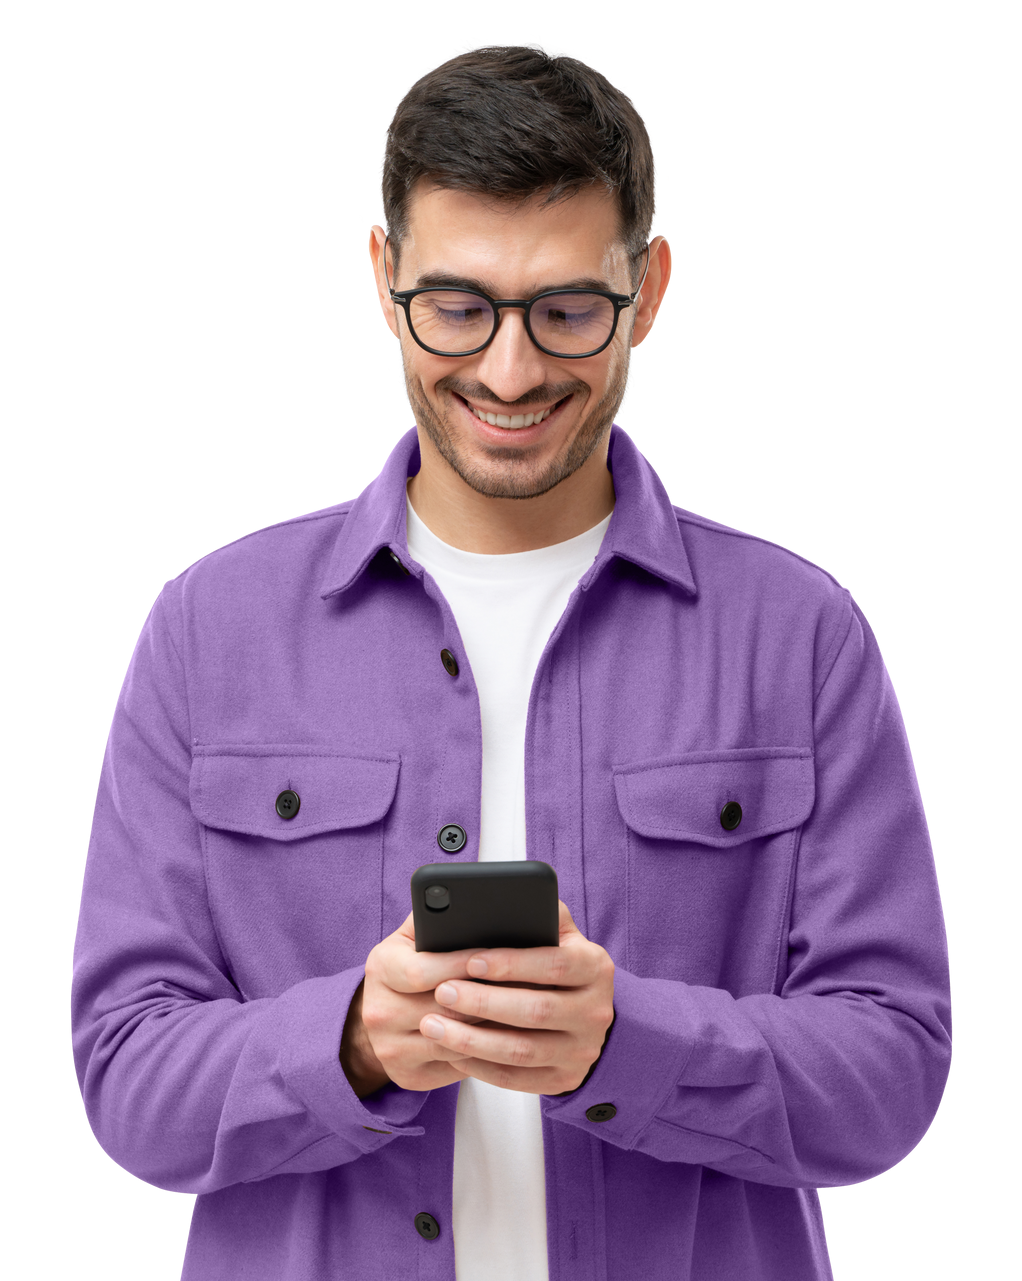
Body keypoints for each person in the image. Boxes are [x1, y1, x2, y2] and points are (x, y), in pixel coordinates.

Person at [70, 38, 953, 1281]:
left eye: (566, 310)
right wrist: (353, 1042)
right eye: (458, 305)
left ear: (646, 290)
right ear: (382, 278)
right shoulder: (207, 629)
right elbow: (126, 1081)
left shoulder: (799, 633)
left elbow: (890, 1074)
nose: (508, 368)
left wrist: (623, 1045)